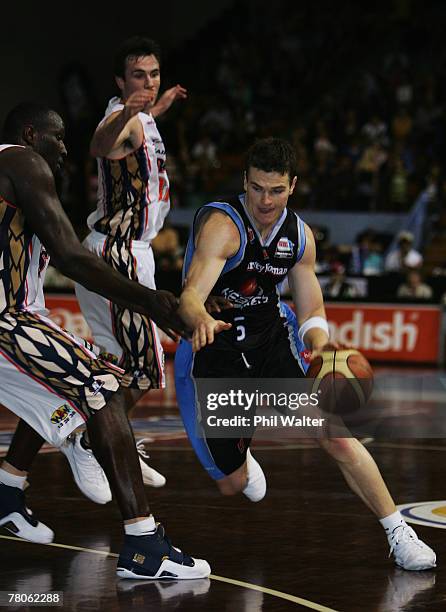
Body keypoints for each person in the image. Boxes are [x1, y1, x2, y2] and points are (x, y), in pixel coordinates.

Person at [174, 137, 435, 571]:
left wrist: (318, 343)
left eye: (276, 190)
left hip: (271, 338)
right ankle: (241, 450)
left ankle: (398, 531)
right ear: (245, 181)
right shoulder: (224, 226)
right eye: (257, 188)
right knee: (233, 484)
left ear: (292, 185)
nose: (265, 199)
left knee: (334, 433)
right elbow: (188, 296)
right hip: (215, 347)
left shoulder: (299, 237)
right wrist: (199, 317)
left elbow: (311, 307)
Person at [0, 102, 209, 580]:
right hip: (5, 318)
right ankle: (143, 545)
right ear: (32, 135)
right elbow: (71, 256)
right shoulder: (22, 161)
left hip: (18, 314)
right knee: (104, 387)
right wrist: (150, 301)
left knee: (74, 376)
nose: (65, 149)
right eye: (57, 138)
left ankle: (7, 490)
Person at [7, 36, 188, 503]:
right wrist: (130, 111)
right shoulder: (120, 119)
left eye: (154, 75)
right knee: (143, 367)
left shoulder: (143, 117)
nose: (147, 84)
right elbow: (101, 143)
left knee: (105, 367)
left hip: (128, 248)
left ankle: (12, 476)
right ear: (119, 82)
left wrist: (155, 109)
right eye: (137, 77)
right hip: (119, 251)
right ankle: (92, 441)